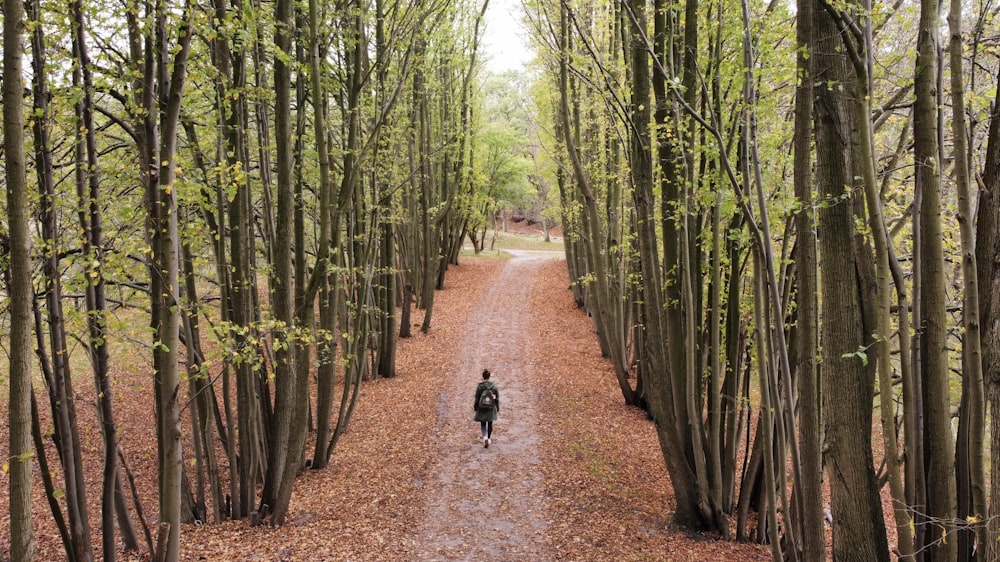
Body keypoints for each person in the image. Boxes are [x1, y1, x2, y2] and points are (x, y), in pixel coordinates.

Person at [474, 369, 500, 448]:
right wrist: (497, 407)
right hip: (491, 407)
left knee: (483, 423)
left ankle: (484, 436)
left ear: (483, 376)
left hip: (481, 407)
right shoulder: (494, 386)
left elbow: (477, 398)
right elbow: (497, 398)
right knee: (490, 423)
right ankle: (489, 438)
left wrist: (476, 406)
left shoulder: (480, 386)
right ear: (489, 376)